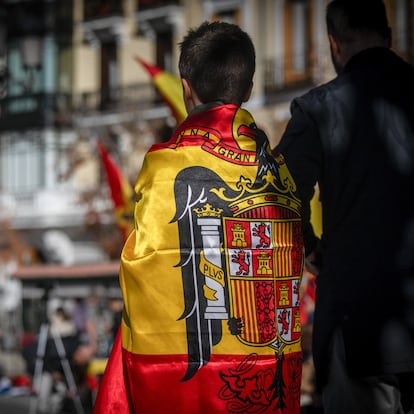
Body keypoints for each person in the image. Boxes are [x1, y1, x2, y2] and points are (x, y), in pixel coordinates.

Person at [93, 21, 304, 414]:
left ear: (185, 88)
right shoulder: (279, 171)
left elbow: (142, 271)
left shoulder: (166, 164)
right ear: (249, 90)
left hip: (186, 384)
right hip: (268, 376)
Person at [275, 1, 414, 413]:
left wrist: (309, 246)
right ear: (389, 37)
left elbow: (279, 193)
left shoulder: (317, 108)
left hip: (357, 321)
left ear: (334, 44)